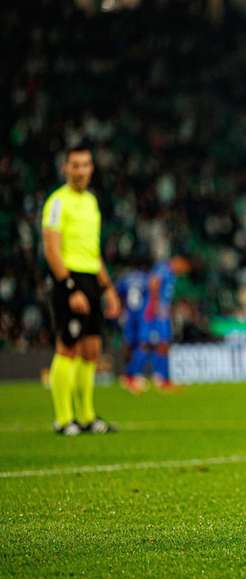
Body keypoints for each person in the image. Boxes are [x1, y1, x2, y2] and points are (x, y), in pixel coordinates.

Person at [41, 145, 121, 435]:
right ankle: (63, 419)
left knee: (91, 349)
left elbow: (93, 251)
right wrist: (69, 287)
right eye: (75, 165)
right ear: (65, 168)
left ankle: (86, 416)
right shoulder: (57, 202)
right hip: (68, 278)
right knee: (68, 347)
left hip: (91, 278)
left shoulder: (91, 202)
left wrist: (108, 288)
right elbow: (51, 249)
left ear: (91, 169)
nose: (80, 170)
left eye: (85, 165)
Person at [142, 257, 177, 389]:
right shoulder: (164, 268)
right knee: (154, 343)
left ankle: (161, 376)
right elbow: (153, 282)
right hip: (157, 313)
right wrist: (155, 303)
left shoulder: (171, 273)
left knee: (163, 343)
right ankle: (154, 376)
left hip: (163, 312)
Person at [116, 258, 150, 393]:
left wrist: (121, 309)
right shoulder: (147, 278)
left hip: (129, 315)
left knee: (129, 344)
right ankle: (133, 375)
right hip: (142, 316)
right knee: (142, 344)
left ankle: (126, 375)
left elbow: (117, 293)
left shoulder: (125, 278)